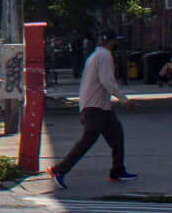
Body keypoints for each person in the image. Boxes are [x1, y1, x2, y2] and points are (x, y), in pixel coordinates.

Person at [51, 33, 136, 188]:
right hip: (95, 109)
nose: (118, 43)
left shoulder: (95, 55)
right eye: (117, 41)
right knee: (86, 142)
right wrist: (124, 99)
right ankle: (60, 170)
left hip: (101, 108)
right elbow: (107, 81)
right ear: (110, 41)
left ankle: (118, 171)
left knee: (117, 136)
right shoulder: (104, 56)